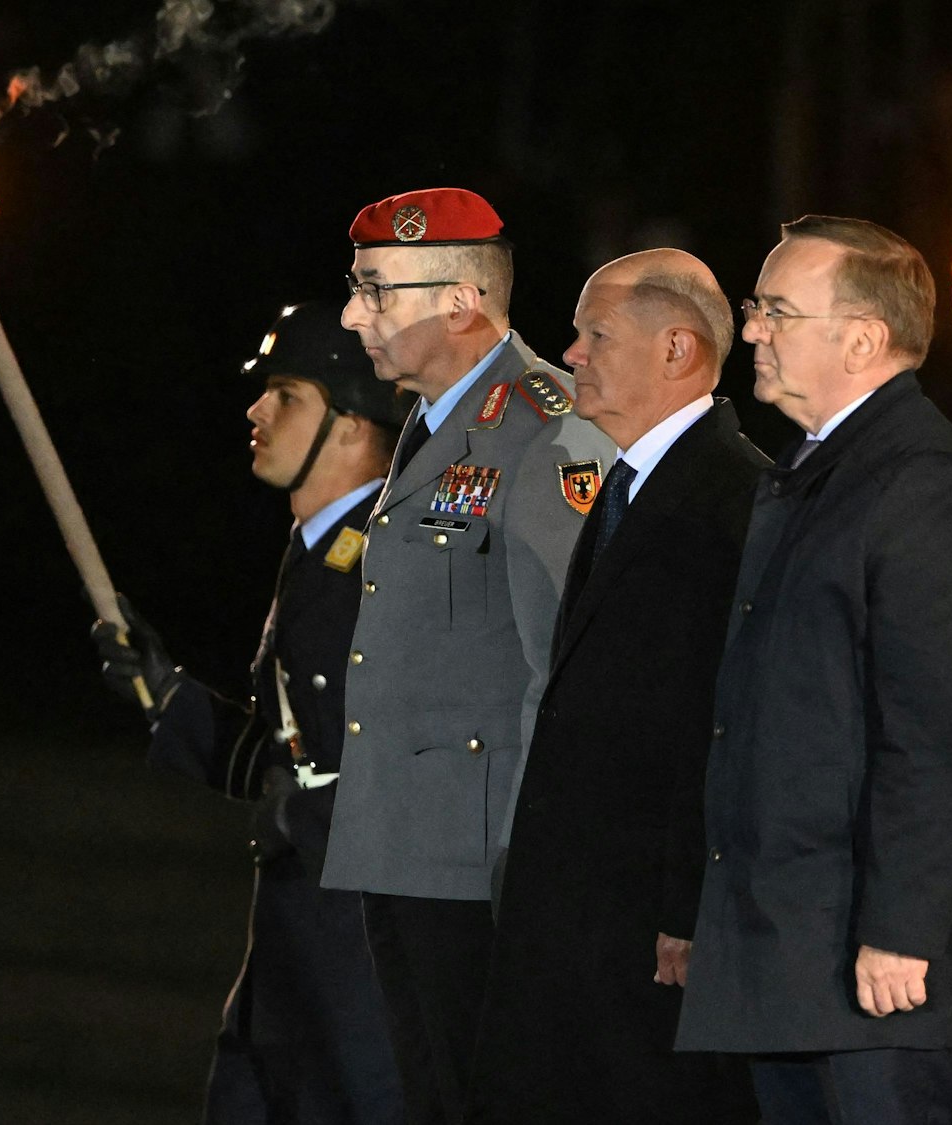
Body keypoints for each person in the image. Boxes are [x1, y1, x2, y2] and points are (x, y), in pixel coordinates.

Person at [675, 215, 952, 1124]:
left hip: (874, 972)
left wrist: (901, 930)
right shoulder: (817, 469)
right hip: (794, 944)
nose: (750, 330)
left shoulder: (918, 483)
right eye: (755, 308)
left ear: (863, 339)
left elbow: (939, 730)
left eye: (776, 309)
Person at [317, 187, 617, 1124]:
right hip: (411, 845)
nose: (352, 312)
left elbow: (574, 668)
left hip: (485, 862)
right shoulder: (434, 422)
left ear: (460, 300)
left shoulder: (546, 426)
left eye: (376, 289)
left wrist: (542, 869)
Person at [468, 249, 767, 1124]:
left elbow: (719, 719)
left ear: (677, 350)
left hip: (642, 932)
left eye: (596, 333)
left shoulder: (732, 500)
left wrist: (685, 902)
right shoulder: (627, 485)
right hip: (577, 916)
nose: (572, 354)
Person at [92, 301, 407, 1124]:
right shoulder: (317, 551)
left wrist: (307, 807)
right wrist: (171, 699)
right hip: (288, 945)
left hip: (355, 946)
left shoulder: (392, 562)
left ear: (350, 423)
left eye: (286, 395)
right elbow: (290, 747)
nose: (256, 410)